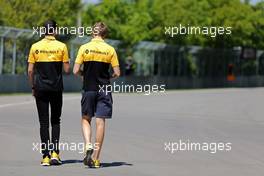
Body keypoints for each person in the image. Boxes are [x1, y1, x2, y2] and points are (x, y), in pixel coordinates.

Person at [73, 22, 120, 168]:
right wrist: (108, 77)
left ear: (92, 33)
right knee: (100, 122)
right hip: (104, 88)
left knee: (86, 119)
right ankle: (96, 158)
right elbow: (117, 73)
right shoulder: (110, 49)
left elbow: (75, 70)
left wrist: (84, 75)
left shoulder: (84, 48)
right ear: (105, 34)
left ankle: (88, 144)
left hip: (89, 88)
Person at [28, 20, 70, 166]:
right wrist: (64, 62)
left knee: (43, 123)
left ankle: (45, 156)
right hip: (56, 88)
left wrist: (33, 86)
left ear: (43, 31)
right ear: (55, 31)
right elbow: (67, 70)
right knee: (55, 121)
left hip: (40, 88)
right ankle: (55, 154)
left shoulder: (35, 46)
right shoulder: (62, 46)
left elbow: (30, 70)